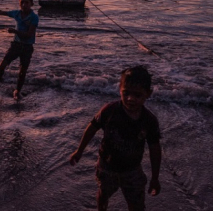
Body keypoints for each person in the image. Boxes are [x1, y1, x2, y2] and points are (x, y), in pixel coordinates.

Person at [69, 66, 162, 211]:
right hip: (107, 166)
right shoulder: (110, 111)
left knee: (137, 204)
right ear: (120, 89)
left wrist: (155, 178)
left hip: (132, 170)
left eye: (137, 95)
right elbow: (92, 128)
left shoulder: (149, 121)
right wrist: (79, 151)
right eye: (126, 93)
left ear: (148, 94)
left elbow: (155, 148)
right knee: (104, 193)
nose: (130, 99)